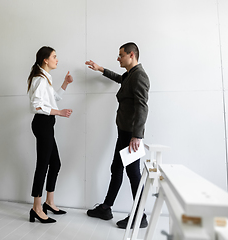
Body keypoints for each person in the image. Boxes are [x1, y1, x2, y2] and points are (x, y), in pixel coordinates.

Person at [85, 42, 150, 229]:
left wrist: (137, 136)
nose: (118, 58)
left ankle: (140, 214)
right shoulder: (131, 75)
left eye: (120, 55)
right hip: (124, 133)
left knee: (133, 173)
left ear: (131, 55)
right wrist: (101, 69)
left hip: (131, 135)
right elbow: (120, 79)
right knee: (117, 169)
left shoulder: (140, 76)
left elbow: (142, 107)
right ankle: (106, 207)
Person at [27, 46, 73, 224]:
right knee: (43, 165)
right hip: (42, 124)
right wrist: (59, 113)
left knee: (55, 163)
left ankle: (49, 202)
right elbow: (35, 106)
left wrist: (65, 83)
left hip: (47, 125)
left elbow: (55, 98)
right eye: (54, 56)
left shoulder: (45, 78)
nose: (57, 59)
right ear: (45, 60)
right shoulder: (39, 79)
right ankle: (36, 208)